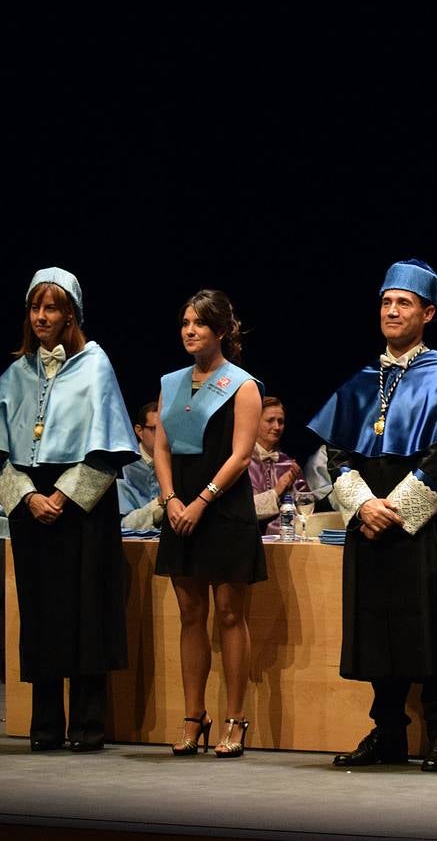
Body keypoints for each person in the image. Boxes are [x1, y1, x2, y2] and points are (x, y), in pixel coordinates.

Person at [309, 259, 437, 773]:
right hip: (369, 519)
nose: (391, 310)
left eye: (403, 302)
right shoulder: (363, 379)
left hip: (422, 522)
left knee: (431, 625)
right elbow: (337, 454)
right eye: (386, 301)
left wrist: (397, 509)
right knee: (377, 628)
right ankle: (387, 732)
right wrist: (363, 505)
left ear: (427, 313)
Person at [0, 267, 137, 752]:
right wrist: (28, 496)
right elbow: (1, 453)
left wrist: (63, 494)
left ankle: (87, 725)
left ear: (70, 315)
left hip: (83, 507)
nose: (41, 316)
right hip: (30, 506)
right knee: (42, 614)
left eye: (52, 307)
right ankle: (44, 727)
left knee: (86, 609)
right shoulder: (14, 375)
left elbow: (109, 449)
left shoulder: (96, 365)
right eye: (35, 307)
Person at [154, 289, 265, 758]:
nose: (190, 331)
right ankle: (193, 716)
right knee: (189, 613)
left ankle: (236, 719)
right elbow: (160, 448)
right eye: (184, 323)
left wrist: (201, 500)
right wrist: (171, 499)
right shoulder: (171, 382)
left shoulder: (242, 385)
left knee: (228, 613)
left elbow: (241, 456)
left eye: (199, 324)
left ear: (221, 331)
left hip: (223, 508)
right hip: (181, 510)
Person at [247, 396, 307, 533]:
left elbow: (306, 509)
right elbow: (239, 510)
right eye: (270, 420)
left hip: (288, 540)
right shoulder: (241, 463)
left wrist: (295, 492)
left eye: (281, 421)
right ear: (254, 421)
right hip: (249, 540)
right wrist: (277, 491)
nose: (277, 427)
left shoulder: (288, 464)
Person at [118, 400, 165, 531]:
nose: (164, 435)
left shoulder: (179, 464)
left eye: (167, 428)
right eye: (156, 429)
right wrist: (162, 502)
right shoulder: (123, 468)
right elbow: (124, 524)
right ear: (139, 431)